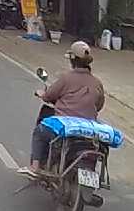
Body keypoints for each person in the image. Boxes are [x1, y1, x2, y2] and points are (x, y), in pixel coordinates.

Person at [19, 41, 106, 177]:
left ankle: (35, 167)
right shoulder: (97, 83)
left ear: (72, 60)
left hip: (65, 126)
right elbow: (99, 105)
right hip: (88, 129)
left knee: (39, 132)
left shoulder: (66, 78)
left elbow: (49, 95)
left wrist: (42, 94)